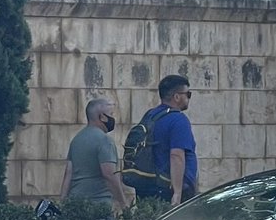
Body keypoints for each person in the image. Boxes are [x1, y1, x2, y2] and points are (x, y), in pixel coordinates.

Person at [137, 74, 198, 207]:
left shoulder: (150, 115)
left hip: (146, 187)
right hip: (168, 191)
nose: (188, 98)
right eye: (188, 94)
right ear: (177, 97)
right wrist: (177, 193)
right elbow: (176, 155)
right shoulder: (178, 120)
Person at [60, 98, 128, 212]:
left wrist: (62, 202)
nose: (113, 118)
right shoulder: (105, 140)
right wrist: (123, 204)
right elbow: (109, 174)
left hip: (75, 204)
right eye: (111, 114)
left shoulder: (77, 139)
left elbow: (68, 173)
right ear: (102, 117)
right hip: (98, 204)